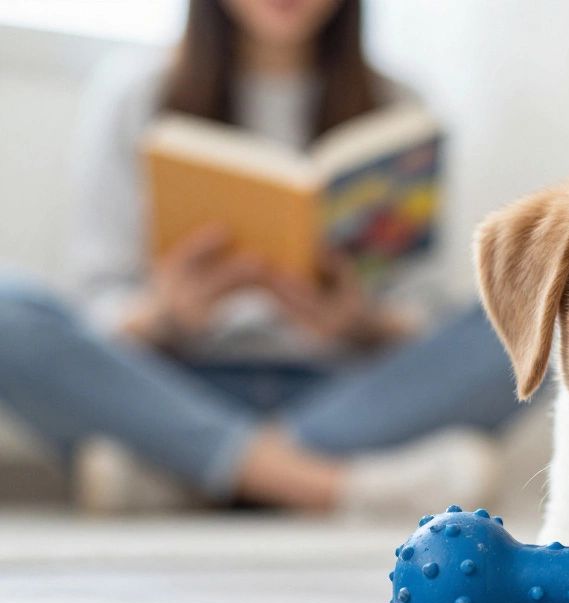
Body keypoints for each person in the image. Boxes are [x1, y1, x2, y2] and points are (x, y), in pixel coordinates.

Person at [0, 0, 522, 516]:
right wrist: (167, 313)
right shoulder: (135, 94)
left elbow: (423, 313)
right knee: (9, 310)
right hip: (180, 384)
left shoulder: (400, 104)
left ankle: (187, 473)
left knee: (542, 309)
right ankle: (322, 484)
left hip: (345, 392)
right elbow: (97, 307)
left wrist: (359, 321)